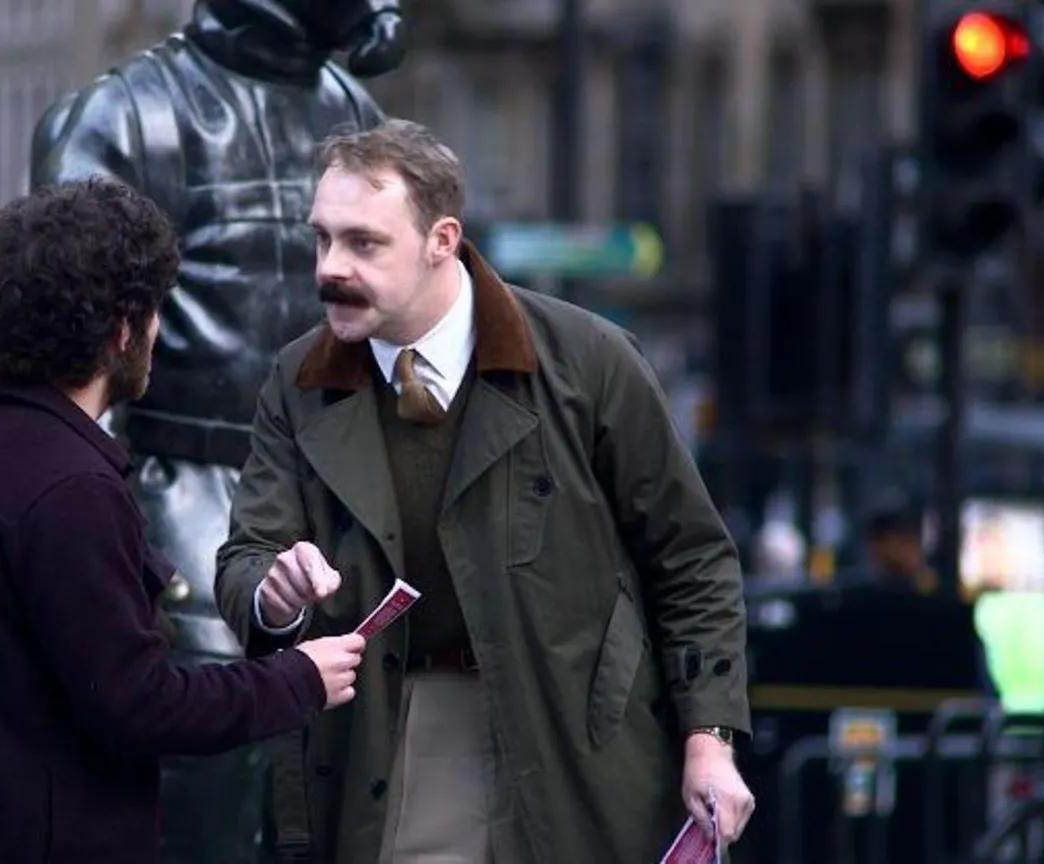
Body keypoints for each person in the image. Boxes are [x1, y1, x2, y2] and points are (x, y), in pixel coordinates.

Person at [214, 119, 755, 863]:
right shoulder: (299, 379)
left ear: (442, 240)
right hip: (393, 735)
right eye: (321, 239)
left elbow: (691, 556)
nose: (330, 267)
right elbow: (247, 554)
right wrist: (272, 595)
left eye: (364, 243)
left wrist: (709, 739)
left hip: (578, 739)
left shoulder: (589, 361)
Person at [0, 179, 366, 863]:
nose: (157, 334)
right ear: (120, 329)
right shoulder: (72, 488)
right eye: (154, 312)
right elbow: (136, 702)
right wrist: (297, 679)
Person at [28, 4, 402, 858]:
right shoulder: (125, 118)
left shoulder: (357, 116)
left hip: (336, 517)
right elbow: (69, 363)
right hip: (176, 509)